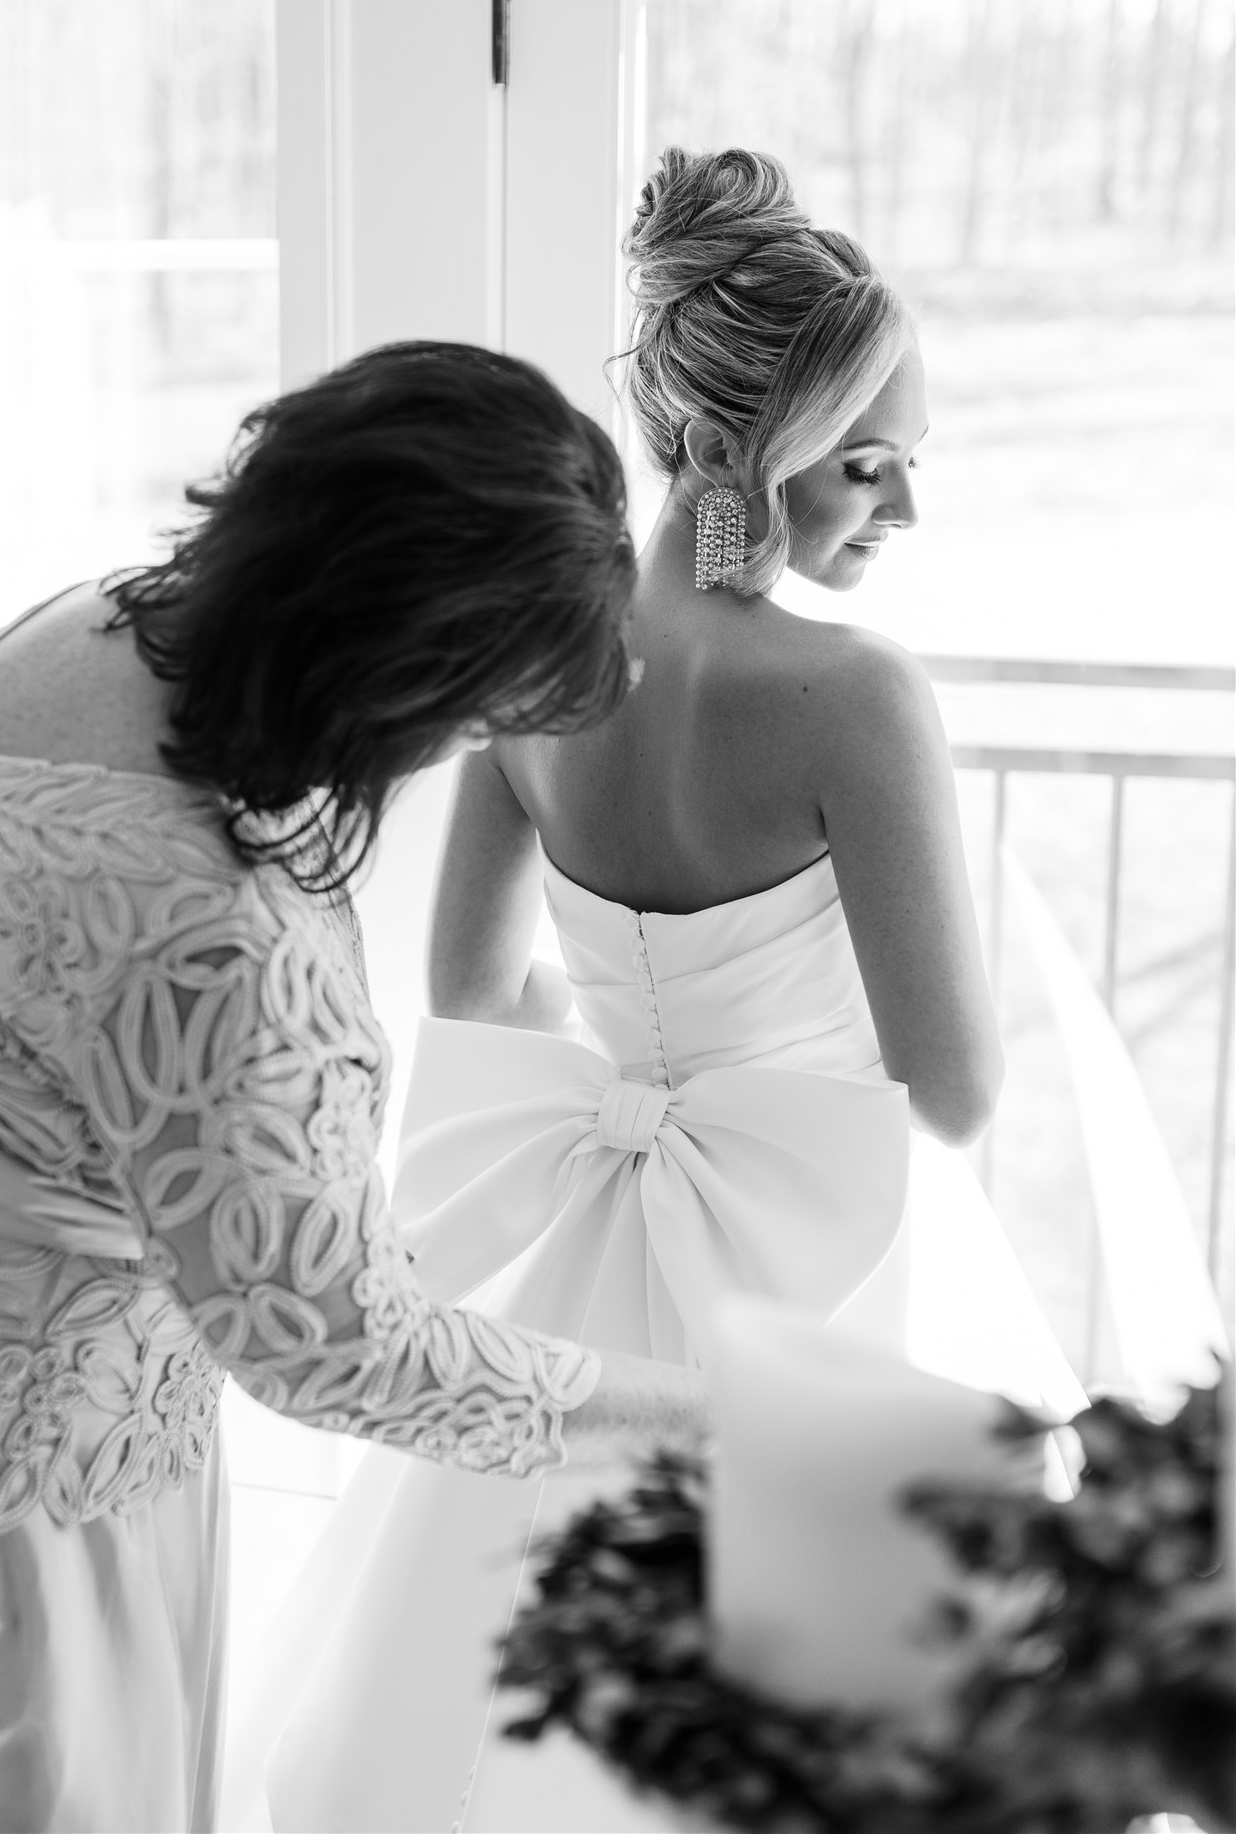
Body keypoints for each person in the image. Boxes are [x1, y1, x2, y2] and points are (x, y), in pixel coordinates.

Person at [0, 341, 717, 1834]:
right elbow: (335, 1348)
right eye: (483, 714)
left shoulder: (81, 627)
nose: (471, 750)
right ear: (398, 672)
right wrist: (707, 1409)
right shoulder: (228, 936)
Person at [255, 152, 1087, 1833]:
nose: (903, 513)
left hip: (583, 1259)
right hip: (824, 1273)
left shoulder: (540, 652)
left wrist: (636, 1078)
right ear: (743, 452)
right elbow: (957, 1092)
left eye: (911, 466)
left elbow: (475, 989)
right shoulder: (854, 698)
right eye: (870, 467)